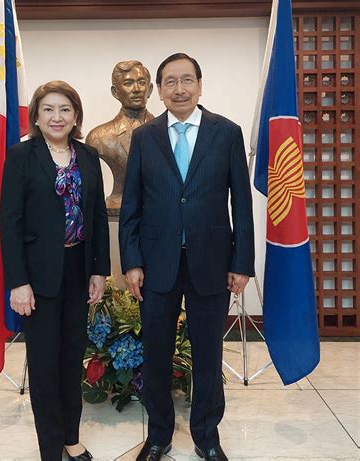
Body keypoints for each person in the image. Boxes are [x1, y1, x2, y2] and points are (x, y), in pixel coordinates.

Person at [119, 53, 255, 461]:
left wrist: (241, 262)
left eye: (187, 80)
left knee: (209, 355)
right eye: (170, 82)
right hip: (156, 264)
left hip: (212, 263)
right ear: (159, 90)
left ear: (199, 85)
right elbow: (132, 206)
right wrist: (131, 261)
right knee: (156, 355)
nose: (179, 89)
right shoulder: (145, 138)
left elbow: (242, 203)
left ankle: (207, 437)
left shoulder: (226, 133)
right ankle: (158, 436)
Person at [0, 81, 110, 461]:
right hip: (37, 274)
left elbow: (96, 216)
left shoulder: (88, 156)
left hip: (79, 268)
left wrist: (99, 270)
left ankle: (71, 436)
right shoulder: (21, 156)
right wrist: (18, 282)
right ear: (36, 116)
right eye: (48, 109)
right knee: (45, 362)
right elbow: (9, 222)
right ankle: (50, 446)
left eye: (65, 109)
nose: (57, 117)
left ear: (76, 116)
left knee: (72, 355)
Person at [86, 60, 154, 215]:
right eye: (128, 83)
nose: (136, 89)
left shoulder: (165, 132)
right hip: (118, 202)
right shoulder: (98, 137)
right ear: (115, 92)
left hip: (155, 206)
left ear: (149, 89)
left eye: (141, 82)